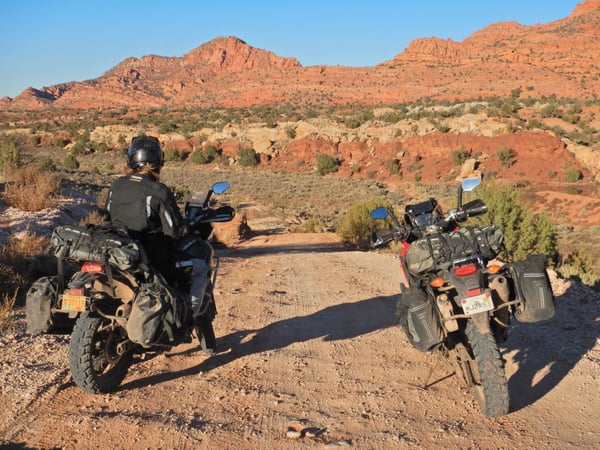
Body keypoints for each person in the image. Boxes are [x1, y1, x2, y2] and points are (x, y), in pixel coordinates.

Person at [104, 134, 210, 324]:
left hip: (120, 250)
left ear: (131, 158)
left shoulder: (116, 185)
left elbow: (108, 214)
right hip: (152, 257)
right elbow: (173, 231)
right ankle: (189, 318)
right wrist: (183, 228)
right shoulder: (158, 190)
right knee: (200, 268)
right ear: (157, 161)